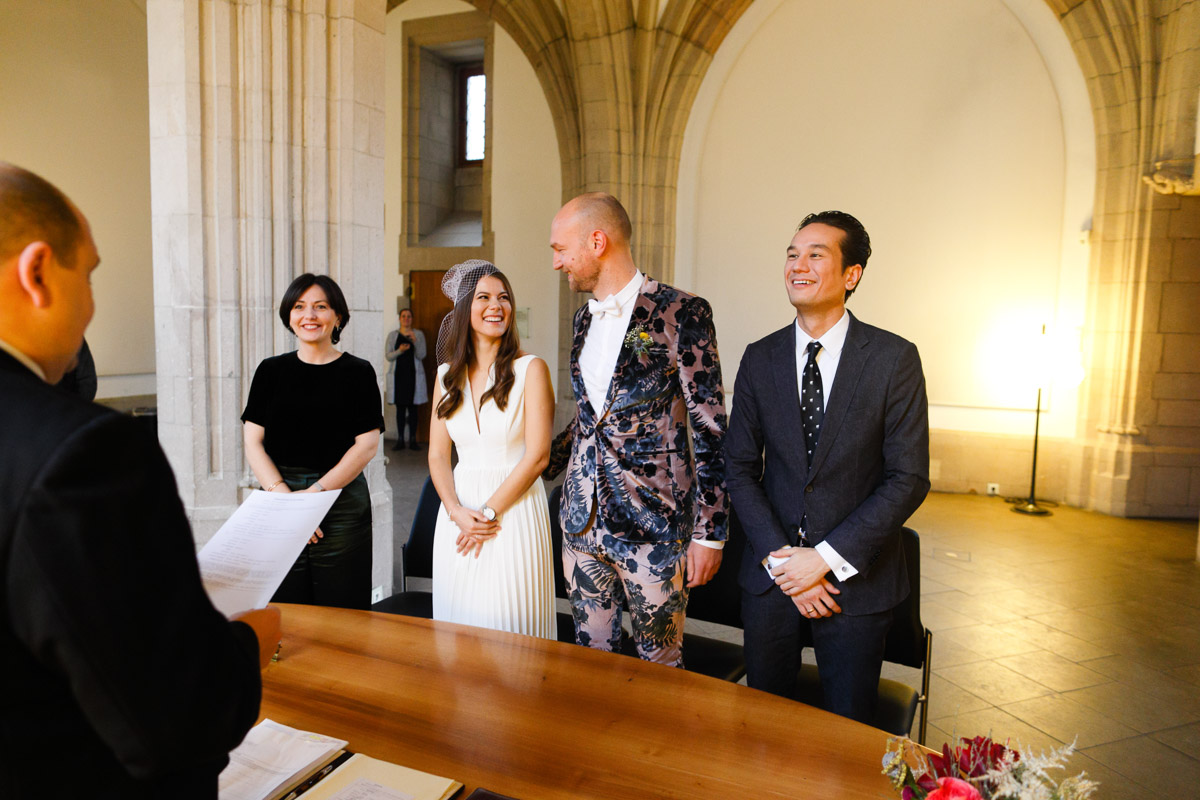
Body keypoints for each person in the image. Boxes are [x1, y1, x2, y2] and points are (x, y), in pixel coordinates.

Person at [0, 162, 280, 798]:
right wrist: (244, 645)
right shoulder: (82, 453)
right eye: (89, 274)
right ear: (38, 272)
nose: (91, 304)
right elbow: (177, 724)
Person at [726, 210, 930, 722]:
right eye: (792, 254)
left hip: (855, 586)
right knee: (764, 728)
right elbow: (739, 467)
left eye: (816, 254)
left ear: (851, 275)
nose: (799, 265)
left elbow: (907, 478)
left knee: (845, 736)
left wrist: (823, 559)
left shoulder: (893, 359)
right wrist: (785, 562)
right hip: (772, 583)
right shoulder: (760, 357)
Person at [543, 192, 728, 667]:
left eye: (561, 249)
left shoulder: (681, 312)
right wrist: (533, 465)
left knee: (659, 667)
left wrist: (711, 534)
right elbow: (592, 418)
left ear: (597, 241)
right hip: (582, 526)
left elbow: (710, 429)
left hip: (655, 526)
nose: (556, 262)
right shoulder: (583, 320)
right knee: (592, 661)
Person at [428, 260, 556, 638]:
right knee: (459, 627)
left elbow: (538, 457)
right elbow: (437, 455)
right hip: (458, 514)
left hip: (512, 512)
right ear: (465, 310)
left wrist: (486, 514)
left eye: (503, 298)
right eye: (483, 297)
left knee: (511, 625)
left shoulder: (532, 369)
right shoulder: (444, 376)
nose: (495, 306)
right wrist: (456, 511)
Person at [242, 273, 383, 610]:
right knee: (285, 605)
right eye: (300, 307)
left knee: (342, 606)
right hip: (281, 494)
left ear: (338, 317)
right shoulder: (270, 371)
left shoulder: (358, 372)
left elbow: (366, 445)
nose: (310, 315)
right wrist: (288, 503)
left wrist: (314, 498)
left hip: (341, 499)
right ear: (289, 316)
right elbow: (252, 441)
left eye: (321, 307)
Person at [385, 308, 428, 450]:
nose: (406, 319)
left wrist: (415, 342)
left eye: (409, 316)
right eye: (403, 316)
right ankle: (401, 440)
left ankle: (413, 440)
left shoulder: (418, 334)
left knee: (413, 409)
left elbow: (422, 354)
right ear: (399, 319)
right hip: (398, 377)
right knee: (400, 409)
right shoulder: (392, 335)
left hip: (413, 377)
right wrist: (400, 351)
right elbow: (388, 356)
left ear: (412, 319)